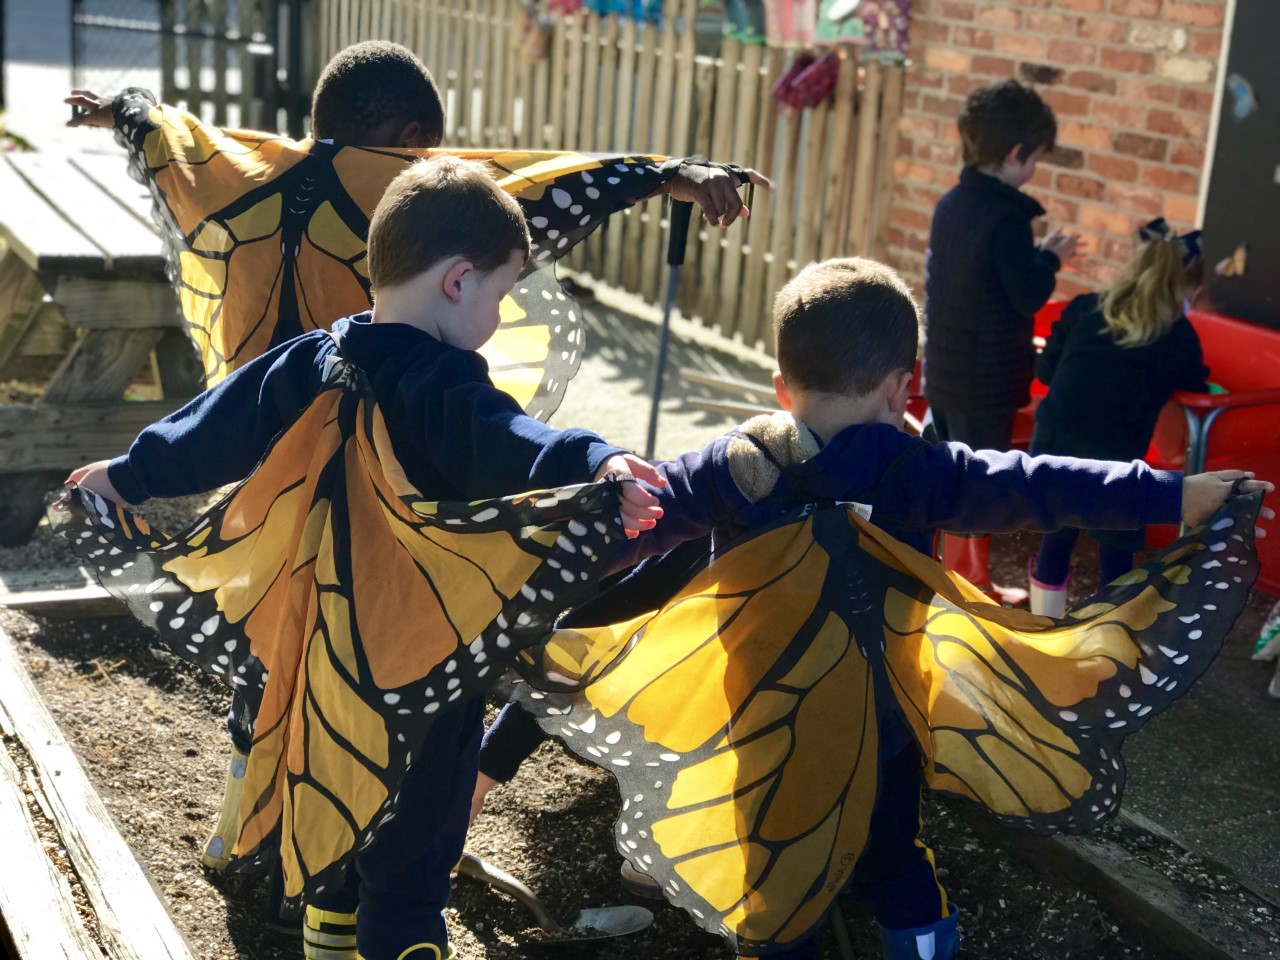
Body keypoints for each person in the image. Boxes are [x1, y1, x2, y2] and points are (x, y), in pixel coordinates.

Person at [65, 37, 761, 873]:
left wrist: (120, 110)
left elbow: (171, 139)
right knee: (385, 671)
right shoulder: (409, 202)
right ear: (410, 136)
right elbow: (541, 183)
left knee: (279, 643)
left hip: (279, 483)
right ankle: (363, 858)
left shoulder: (240, 174)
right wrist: (664, 172)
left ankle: (257, 828)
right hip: (393, 492)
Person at [497, 258, 1271, 960]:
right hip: (887, 725)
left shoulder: (737, 466)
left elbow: (624, 530)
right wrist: (1177, 492)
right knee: (895, 853)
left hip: (768, 724)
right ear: (905, 385)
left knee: (772, 866)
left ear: (780, 385)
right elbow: (1040, 481)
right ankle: (924, 947)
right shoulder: (921, 471)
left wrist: (508, 561)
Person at [60, 156, 666, 960]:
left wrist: (125, 477)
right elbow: (515, 443)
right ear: (458, 281)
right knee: (415, 858)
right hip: (420, 660)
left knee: (336, 811)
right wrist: (596, 463)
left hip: (317, 647)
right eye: (501, 292)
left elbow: (209, 431)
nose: (498, 312)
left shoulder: (311, 356)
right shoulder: (444, 385)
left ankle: (332, 938)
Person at [922, 78, 1081, 604]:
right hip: (983, 379)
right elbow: (1026, 295)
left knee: (946, 470)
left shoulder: (951, 203)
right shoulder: (1008, 217)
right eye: (1035, 157)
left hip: (943, 369)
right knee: (980, 481)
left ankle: (943, 572)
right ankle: (970, 585)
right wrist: (1051, 257)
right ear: (1016, 154)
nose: (1034, 169)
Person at [1027, 218, 1211, 616]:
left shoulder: (1086, 307)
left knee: (1057, 533)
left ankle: (1042, 632)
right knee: (1117, 547)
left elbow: (1044, 373)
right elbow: (1197, 389)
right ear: (1188, 290)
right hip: (1117, 454)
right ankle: (1109, 640)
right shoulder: (1177, 334)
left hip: (1054, 438)